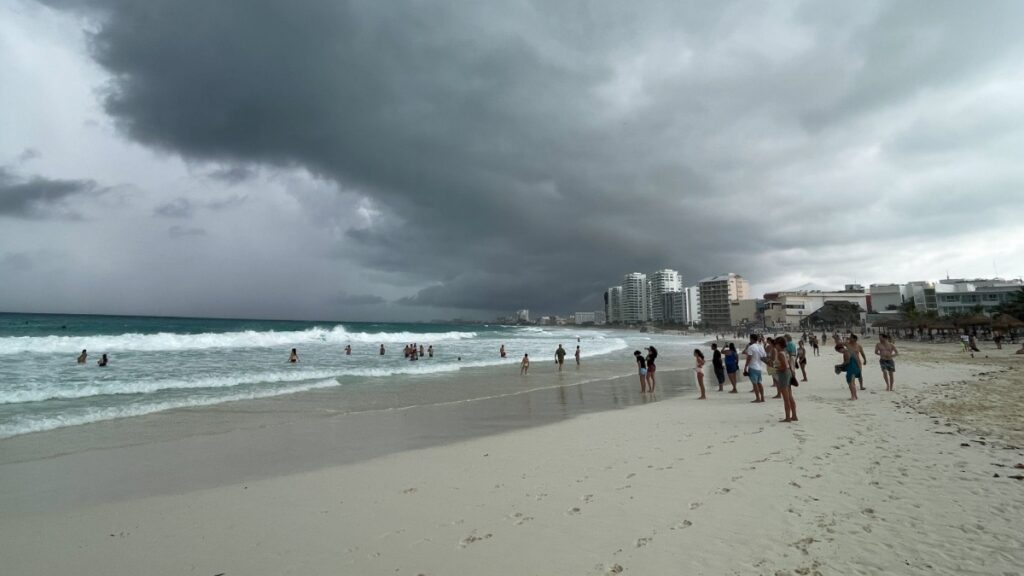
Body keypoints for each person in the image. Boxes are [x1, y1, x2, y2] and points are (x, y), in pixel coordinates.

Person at [772, 337, 797, 422]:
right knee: (790, 396)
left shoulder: (780, 354)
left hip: (784, 374)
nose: (775, 346)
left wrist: (776, 369)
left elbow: (784, 366)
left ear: (779, 344)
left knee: (786, 398)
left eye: (775, 344)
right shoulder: (785, 352)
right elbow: (788, 364)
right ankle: (794, 415)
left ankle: (787, 417)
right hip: (788, 373)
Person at [743, 334, 767, 403]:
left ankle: (758, 398)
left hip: (753, 366)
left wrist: (746, 366)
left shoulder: (751, 347)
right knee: (759, 383)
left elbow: (749, 357)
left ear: (751, 339)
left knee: (755, 384)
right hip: (759, 367)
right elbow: (764, 356)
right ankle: (762, 398)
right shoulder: (760, 346)